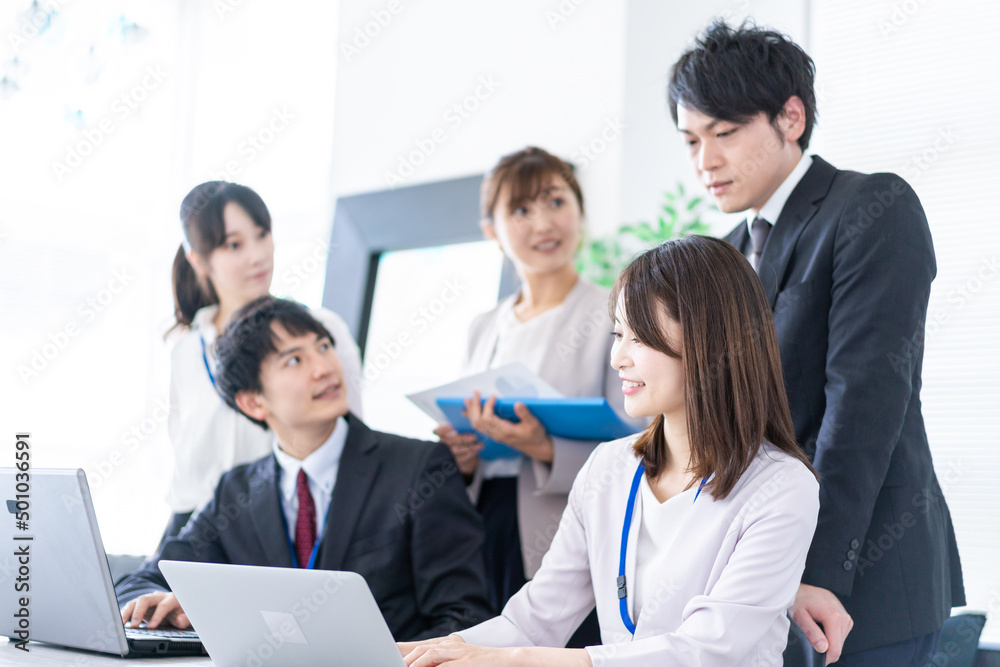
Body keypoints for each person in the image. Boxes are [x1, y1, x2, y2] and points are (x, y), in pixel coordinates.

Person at [667, 21, 965, 665]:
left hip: (863, 581)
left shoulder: (871, 207)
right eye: (690, 140)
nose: (705, 161)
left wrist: (820, 570)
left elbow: (862, 405)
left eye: (724, 133)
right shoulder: (727, 254)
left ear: (790, 117)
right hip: (758, 580)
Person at [399, 236, 820, 665]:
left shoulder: (782, 486)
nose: (618, 357)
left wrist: (518, 660)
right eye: (619, 334)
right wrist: (426, 652)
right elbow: (534, 620)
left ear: (710, 342)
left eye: (640, 337)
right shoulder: (609, 466)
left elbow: (707, 652)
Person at [117, 297, 491, 641]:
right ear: (253, 402)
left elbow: (465, 617)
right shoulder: (235, 489)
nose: (325, 368)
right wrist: (168, 600)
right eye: (295, 360)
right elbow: (142, 581)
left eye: (324, 347)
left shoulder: (418, 468)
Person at [434, 147, 644, 643]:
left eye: (555, 201)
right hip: (483, 520)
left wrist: (544, 448)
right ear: (492, 230)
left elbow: (641, 440)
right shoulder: (482, 326)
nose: (543, 223)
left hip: (563, 523)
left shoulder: (614, 312)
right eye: (521, 210)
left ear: (579, 211)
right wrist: (461, 457)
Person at [163, 181, 363, 539]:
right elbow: (185, 465)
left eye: (262, 235)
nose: (257, 256)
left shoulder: (320, 328)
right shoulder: (188, 349)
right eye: (234, 245)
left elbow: (356, 440)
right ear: (199, 260)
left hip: (285, 528)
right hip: (199, 530)